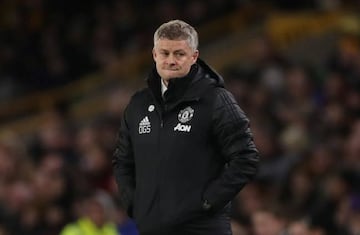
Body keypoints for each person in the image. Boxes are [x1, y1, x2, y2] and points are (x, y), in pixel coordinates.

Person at [112, 19, 259, 235]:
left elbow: (246, 157)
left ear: (194, 56)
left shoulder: (215, 100)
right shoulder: (138, 104)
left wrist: (208, 202)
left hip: (202, 229)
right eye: (164, 53)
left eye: (179, 54)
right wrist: (135, 203)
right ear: (154, 55)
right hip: (151, 228)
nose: (171, 60)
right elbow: (122, 160)